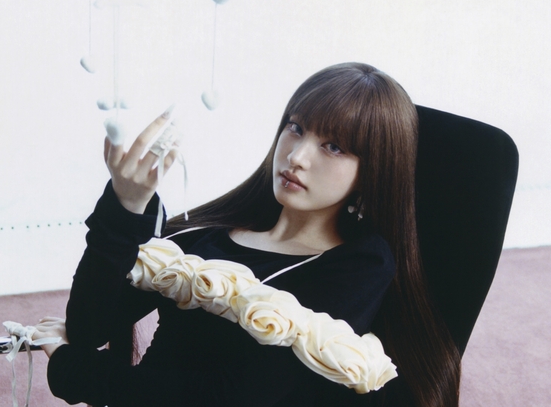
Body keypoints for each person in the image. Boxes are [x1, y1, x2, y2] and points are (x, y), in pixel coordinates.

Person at [33, 62, 461, 407]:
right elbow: (89, 328)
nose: (297, 156)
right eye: (296, 127)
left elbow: (236, 396)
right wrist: (126, 206)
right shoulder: (208, 234)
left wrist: (77, 372)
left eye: (334, 147)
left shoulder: (359, 264)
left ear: (373, 171)